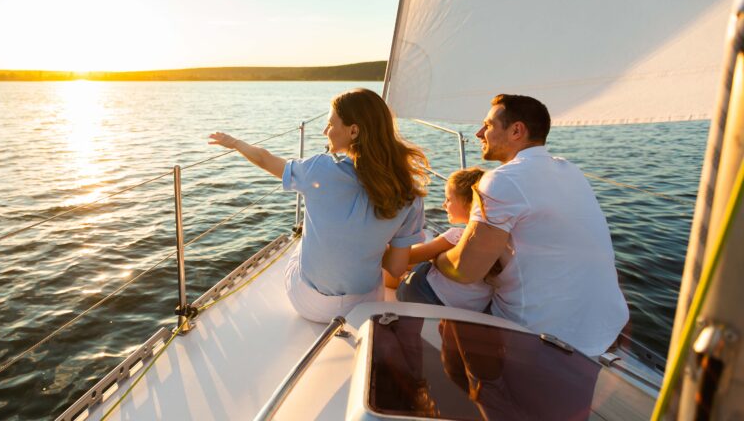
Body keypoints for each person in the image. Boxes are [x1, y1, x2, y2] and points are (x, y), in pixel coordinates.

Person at [426, 94, 628, 356]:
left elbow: (466, 270)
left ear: (517, 131)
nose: (478, 133)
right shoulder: (570, 170)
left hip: (538, 334)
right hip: (604, 328)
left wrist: (434, 257)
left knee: (417, 285)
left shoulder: (502, 180)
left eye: (487, 125)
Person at [208, 88, 428, 322]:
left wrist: (234, 143)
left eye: (331, 124)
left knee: (303, 239)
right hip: (365, 306)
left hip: (310, 304)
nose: (325, 131)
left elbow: (265, 159)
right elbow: (396, 268)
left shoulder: (319, 169)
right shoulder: (409, 193)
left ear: (354, 131)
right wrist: (367, 246)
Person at [398, 167, 493, 313]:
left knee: (407, 266)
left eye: (448, 199)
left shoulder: (456, 237)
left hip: (425, 295)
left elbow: (407, 258)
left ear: (469, 205)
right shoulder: (497, 241)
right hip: (472, 308)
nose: (444, 204)